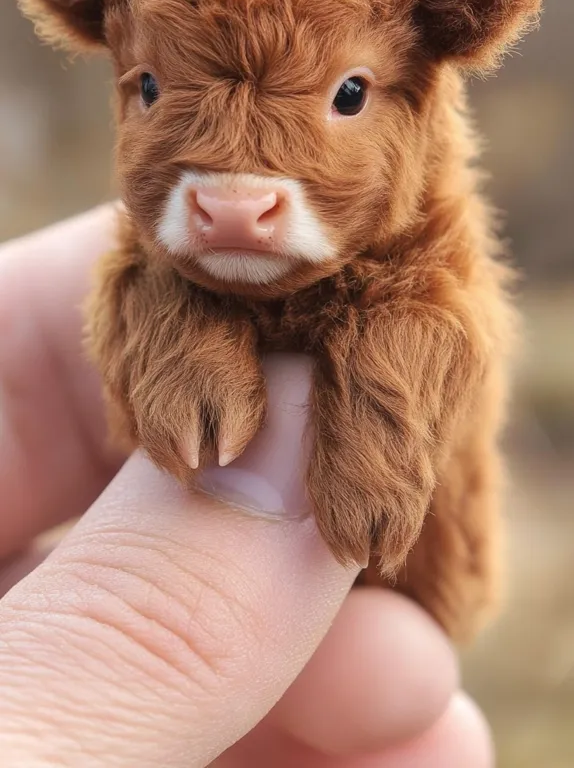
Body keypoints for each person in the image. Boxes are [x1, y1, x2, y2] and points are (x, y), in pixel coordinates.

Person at [0, 205, 493, 767]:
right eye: (152, 106)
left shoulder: (431, 262)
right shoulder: (149, 277)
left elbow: (451, 311)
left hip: (398, 596)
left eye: (348, 106)